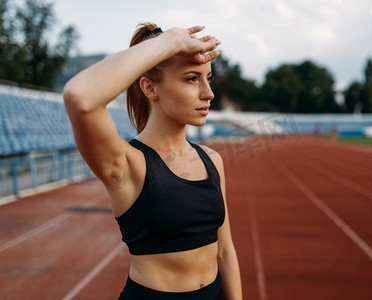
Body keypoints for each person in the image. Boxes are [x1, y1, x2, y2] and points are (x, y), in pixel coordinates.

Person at [63, 22, 242, 300]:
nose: (208, 93)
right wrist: (169, 42)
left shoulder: (211, 160)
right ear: (150, 88)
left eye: (208, 78)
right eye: (192, 78)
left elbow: (225, 251)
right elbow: (80, 97)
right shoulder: (127, 165)